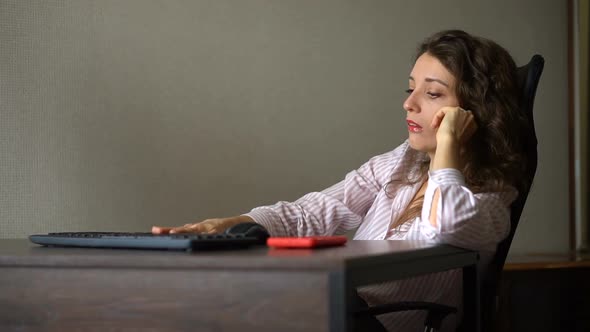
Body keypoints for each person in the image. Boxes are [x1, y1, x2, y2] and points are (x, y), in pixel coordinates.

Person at [153, 29, 531, 332]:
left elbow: (445, 222)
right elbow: (313, 212)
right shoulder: (398, 165)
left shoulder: (491, 200)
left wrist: (449, 142)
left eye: (432, 93)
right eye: (410, 88)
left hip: (370, 322)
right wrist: (232, 224)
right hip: (333, 307)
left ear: (473, 112)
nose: (409, 103)